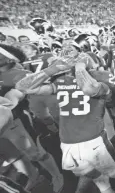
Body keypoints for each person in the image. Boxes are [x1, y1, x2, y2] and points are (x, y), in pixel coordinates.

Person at [16, 49, 115, 193]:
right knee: (92, 173)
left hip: (94, 141)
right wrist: (52, 69)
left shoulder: (101, 79)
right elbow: (23, 88)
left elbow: (89, 88)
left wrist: (80, 67)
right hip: (68, 142)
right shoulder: (63, 81)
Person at [0, 44, 64, 192]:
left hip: (17, 120)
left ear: (10, 60)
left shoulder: (17, 73)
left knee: (36, 154)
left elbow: (28, 86)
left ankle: (57, 175)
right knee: (14, 155)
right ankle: (33, 176)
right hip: (4, 121)